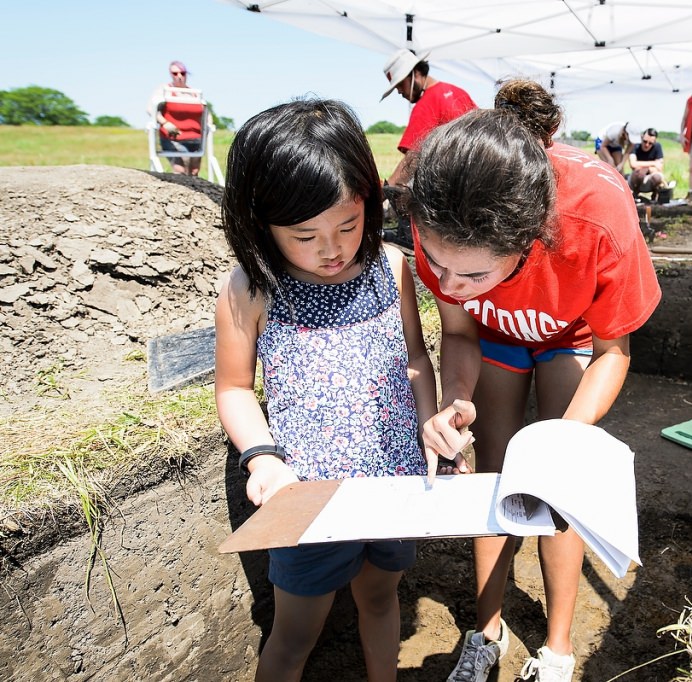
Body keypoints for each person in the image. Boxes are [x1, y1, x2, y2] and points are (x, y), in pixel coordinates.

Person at [407, 79, 662, 682]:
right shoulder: (440, 214)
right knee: (494, 476)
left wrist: (559, 444)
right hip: (494, 335)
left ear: (528, 240)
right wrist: (455, 400)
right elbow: (461, 331)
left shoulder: (596, 218)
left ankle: (557, 649)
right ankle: (486, 629)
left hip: (572, 336)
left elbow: (612, 351)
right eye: (437, 266)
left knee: (554, 484)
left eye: (471, 272)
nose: (450, 284)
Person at [215, 98, 438, 682]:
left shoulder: (391, 267)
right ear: (259, 223)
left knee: (381, 598)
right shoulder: (251, 289)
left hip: (393, 482)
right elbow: (235, 389)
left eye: (347, 224)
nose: (331, 249)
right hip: (306, 501)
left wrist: (431, 421)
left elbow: (415, 356)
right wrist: (261, 457)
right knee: (293, 633)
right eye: (304, 235)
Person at [380, 49, 477, 189]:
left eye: (401, 85)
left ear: (416, 73)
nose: (400, 91)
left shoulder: (425, 105)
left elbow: (413, 158)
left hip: (455, 186)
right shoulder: (459, 92)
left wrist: (389, 188)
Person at [147, 60, 207, 176]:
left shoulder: (194, 93)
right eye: (175, 73)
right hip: (174, 138)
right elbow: (151, 108)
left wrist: (208, 124)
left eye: (182, 73)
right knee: (181, 169)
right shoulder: (164, 90)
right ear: (171, 74)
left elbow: (204, 112)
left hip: (195, 138)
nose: (179, 76)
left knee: (194, 172)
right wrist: (165, 123)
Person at [628, 128, 667, 199]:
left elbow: (660, 168)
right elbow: (633, 164)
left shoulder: (658, 147)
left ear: (654, 142)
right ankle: (635, 194)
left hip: (650, 178)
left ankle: (655, 194)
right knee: (639, 174)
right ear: (641, 138)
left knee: (657, 177)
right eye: (645, 141)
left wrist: (645, 168)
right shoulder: (635, 146)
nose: (647, 145)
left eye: (650, 143)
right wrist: (653, 163)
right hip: (636, 180)